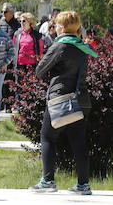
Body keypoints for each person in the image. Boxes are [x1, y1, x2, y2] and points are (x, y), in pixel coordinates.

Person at [29, 10, 97, 194]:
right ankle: (83, 185)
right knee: (79, 142)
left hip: (60, 98)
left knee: (47, 137)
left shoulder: (60, 46)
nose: (55, 27)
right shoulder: (83, 47)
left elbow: (40, 70)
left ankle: (48, 180)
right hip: (81, 99)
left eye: (57, 24)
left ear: (63, 27)